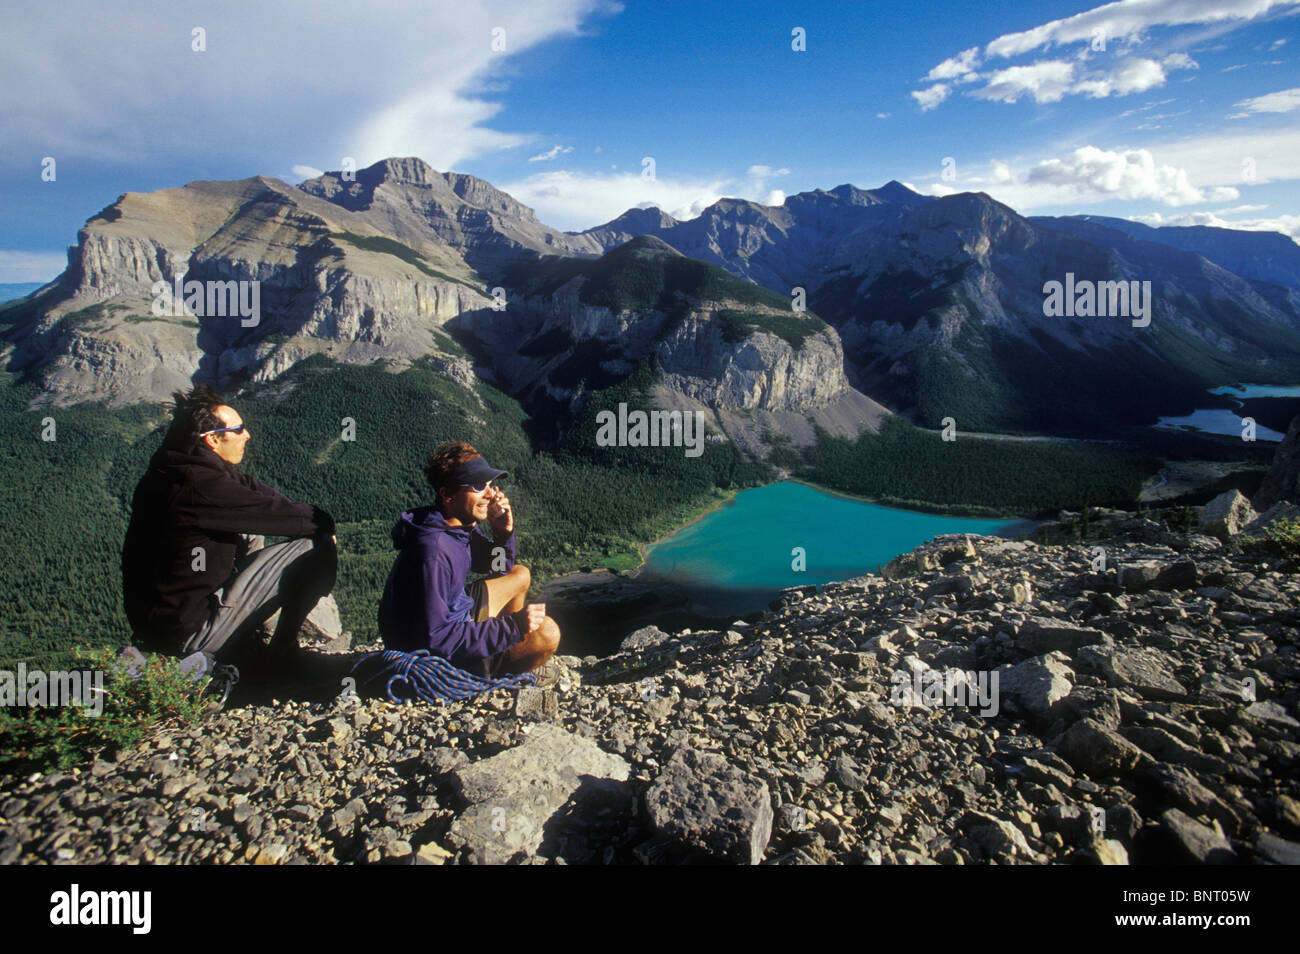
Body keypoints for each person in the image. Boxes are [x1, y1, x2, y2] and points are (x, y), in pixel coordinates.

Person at [121, 385, 337, 668]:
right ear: (212, 440)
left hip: (164, 626)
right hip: (192, 634)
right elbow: (297, 520)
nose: (247, 435)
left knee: (249, 527)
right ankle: (282, 652)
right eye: (239, 429)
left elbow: (249, 490)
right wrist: (325, 523)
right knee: (315, 546)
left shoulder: (172, 471)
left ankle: (247, 637)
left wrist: (284, 510)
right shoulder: (199, 488)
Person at [378, 441, 560, 679]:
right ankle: (495, 665)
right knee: (548, 633)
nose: (489, 493)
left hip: (455, 616)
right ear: (447, 494)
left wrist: (502, 533)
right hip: (432, 655)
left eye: (489, 484)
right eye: (477, 486)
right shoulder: (434, 551)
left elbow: (497, 567)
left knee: (520, 574)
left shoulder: (454, 525)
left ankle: (501, 646)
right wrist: (513, 626)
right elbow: (436, 639)